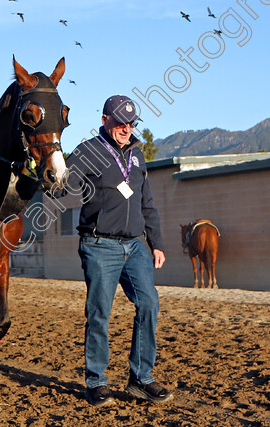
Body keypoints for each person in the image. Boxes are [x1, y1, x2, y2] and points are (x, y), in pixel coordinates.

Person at [63, 95, 171, 407]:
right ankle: (96, 381)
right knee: (99, 312)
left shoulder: (138, 156)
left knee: (149, 302)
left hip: (135, 245)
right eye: (120, 122)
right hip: (100, 245)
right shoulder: (88, 150)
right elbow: (63, 183)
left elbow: (146, 202)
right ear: (105, 120)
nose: (126, 128)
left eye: (131, 123)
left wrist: (157, 242)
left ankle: (141, 378)